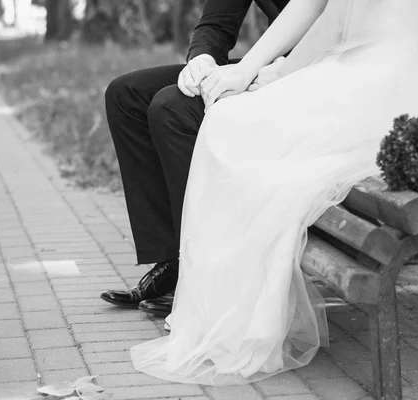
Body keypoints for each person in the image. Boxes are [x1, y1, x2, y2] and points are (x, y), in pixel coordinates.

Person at [129, 0, 418, 386]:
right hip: (361, 67)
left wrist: (261, 71)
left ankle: (238, 307)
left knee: (232, 124)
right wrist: (272, 71)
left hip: (387, 80)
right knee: (230, 120)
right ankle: (227, 300)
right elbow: (327, 12)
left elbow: (323, 11)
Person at [100, 0, 289, 316]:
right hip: (266, 63)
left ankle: (203, 269)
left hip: (307, 69)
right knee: (125, 95)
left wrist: (271, 68)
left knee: (171, 106)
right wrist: (202, 61)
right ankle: (173, 260)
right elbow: (217, 24)